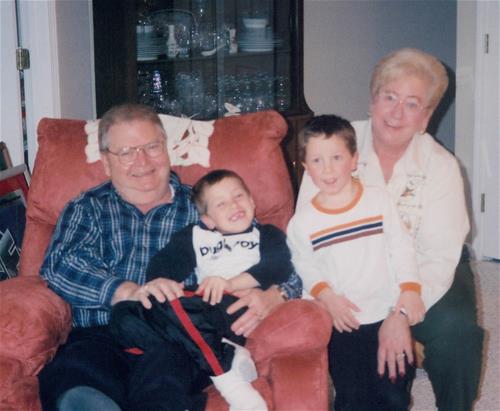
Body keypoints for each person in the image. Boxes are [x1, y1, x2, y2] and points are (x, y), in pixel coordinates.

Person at [38, 104, 302, 411]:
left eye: (151, 147)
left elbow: (283, 258)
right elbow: (58, 266)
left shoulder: (209, 207)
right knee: (72, 380)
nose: (142, 161)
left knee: (165, 381)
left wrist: (278, 294)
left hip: (179, 339)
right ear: (107, 162)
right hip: (102, 334)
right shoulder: (88, 208)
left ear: (166, 149)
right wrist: (127, 291)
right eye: (126, 152)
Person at [298, 48, 484, 411]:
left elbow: (438, 256)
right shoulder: (331, 148)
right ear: (372, 101)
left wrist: (399, 314)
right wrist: (334, 297)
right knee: (362, 372)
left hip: (423, 271)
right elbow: (310, 235)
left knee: (457, 333)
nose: (397, 112)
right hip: (349, 273)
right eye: (390, 97)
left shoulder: (441, 167)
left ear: (426, 117)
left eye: (412, 104)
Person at [110, 169, 295, 411]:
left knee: (177, 307)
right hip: (198, 309)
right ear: (207, 220)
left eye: (238, 196)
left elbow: (278, 267)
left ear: (252, 201)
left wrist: (230, 284)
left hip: (237, 308)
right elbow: (165, 263)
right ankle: (224, 353)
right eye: (221, 204)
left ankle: (230, 382)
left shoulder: (266, 234)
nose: (233, 205)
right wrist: (161, 282)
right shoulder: (196, 236)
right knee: (123, 313)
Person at [287, 114, 426, 410]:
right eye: (317, 160)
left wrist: (410, 289)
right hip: (342, 322)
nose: (327, 169)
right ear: (305, 167)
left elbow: (401, 246)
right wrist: (327, 297)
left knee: (395, 393)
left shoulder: (378, 201)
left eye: (336, 157)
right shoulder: (302, 222)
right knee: (353, 397)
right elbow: (304, 266)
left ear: (354, 160)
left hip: (386, 313)